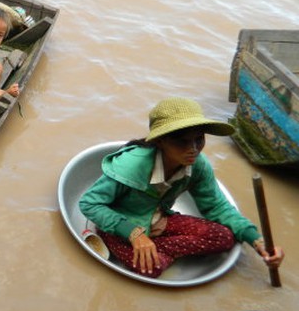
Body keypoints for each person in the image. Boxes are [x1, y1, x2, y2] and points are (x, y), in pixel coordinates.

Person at [79, 97, 285, 278]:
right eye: (182, 142)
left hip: (159, 220)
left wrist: (257, 241)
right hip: (118, 225)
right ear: (160, 141)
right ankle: (146, 250)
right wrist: (134, 234)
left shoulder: (198, 165)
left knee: (224, 237)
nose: (193, 150)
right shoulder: (132, 165)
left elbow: (217, 207)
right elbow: (89, 204)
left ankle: (155, 250)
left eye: (199, 140)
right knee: (152, 268)